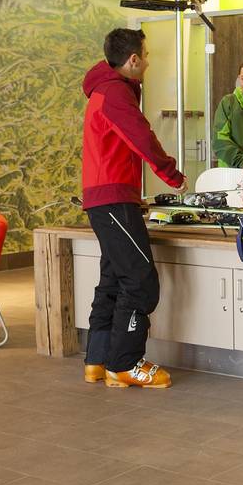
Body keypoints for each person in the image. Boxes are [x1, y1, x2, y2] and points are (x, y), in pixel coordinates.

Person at [81, 28, 186, 389]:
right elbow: (142, 137)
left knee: (113, 278)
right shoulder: (114, 93)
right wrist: (172, 176)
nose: (149, 62)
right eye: (147, 55)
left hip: (109, 197)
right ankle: (125, 364)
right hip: (112, 199)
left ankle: (98, 360)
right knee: (140, 282)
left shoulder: (106, 88)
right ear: (133, 59)